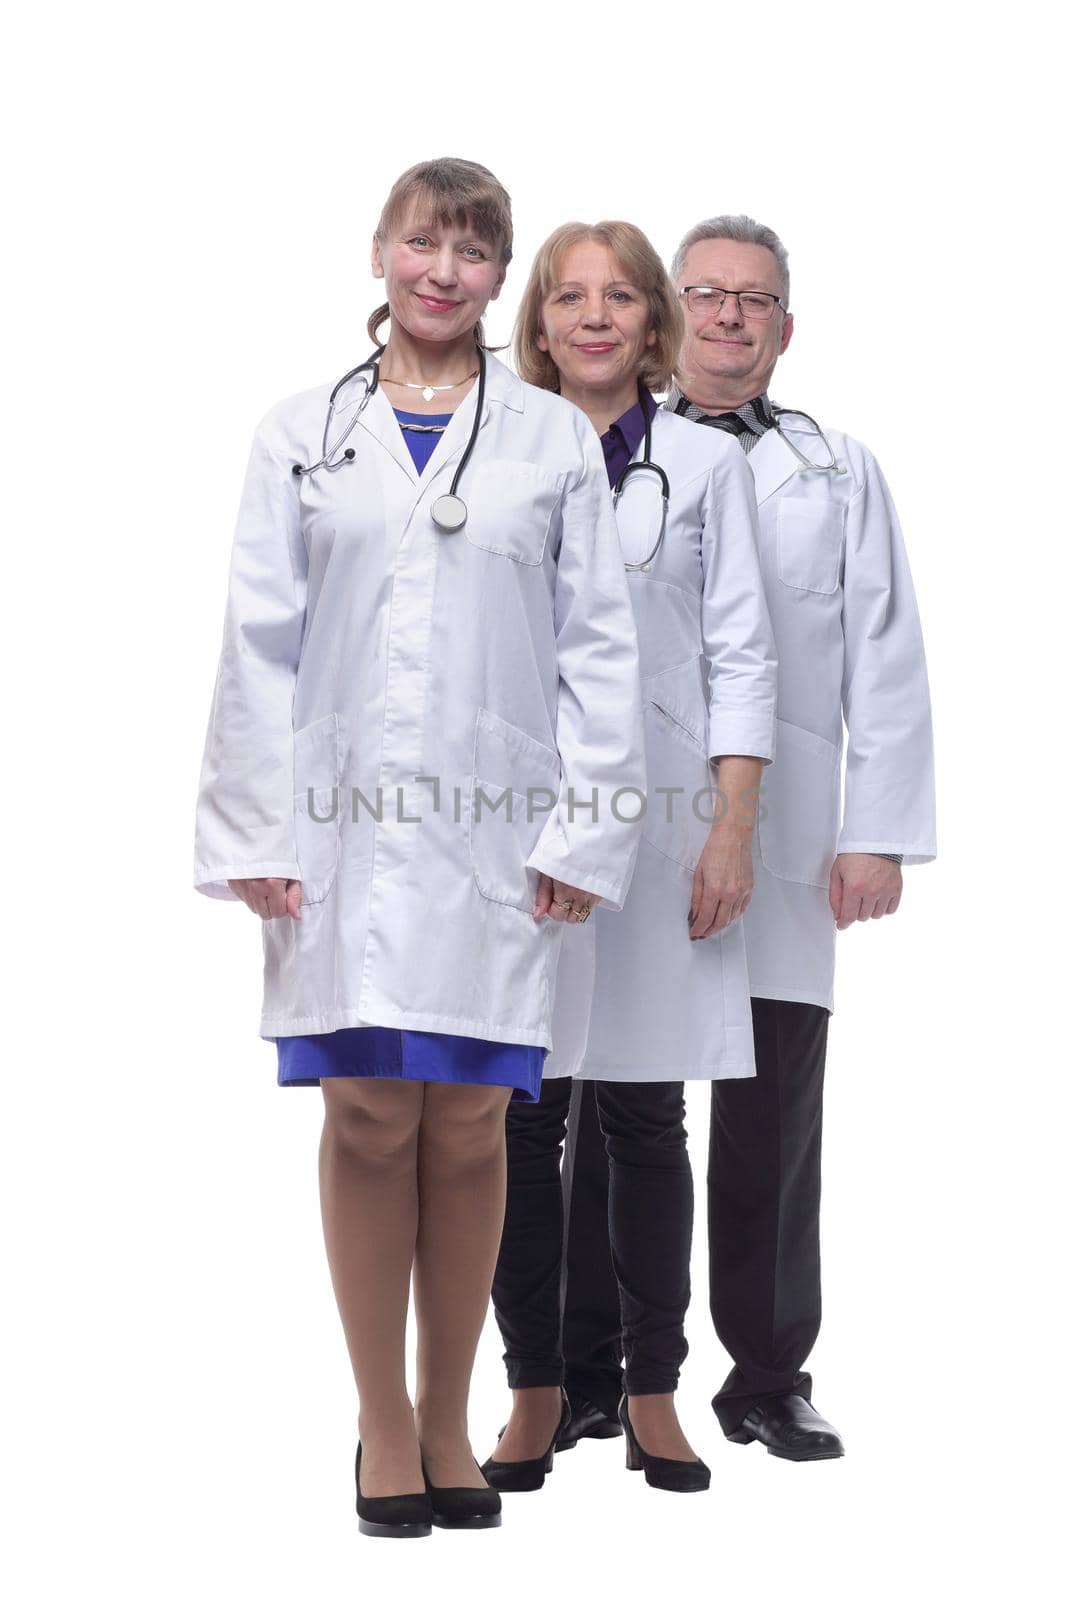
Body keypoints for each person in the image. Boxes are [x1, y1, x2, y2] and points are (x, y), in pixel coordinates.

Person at [192, 159, 646, 1537]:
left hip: (497, 832)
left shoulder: (548, 440)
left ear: (495, 279)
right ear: (380, 251)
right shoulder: (299, 433)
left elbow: (597, 649)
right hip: (332, 830)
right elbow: (254, 647)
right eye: (421, 243)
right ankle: (380, 1425)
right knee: (368, 1111)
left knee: (467, 1123)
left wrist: (587, 826)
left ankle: (452, 1418)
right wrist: (251, 830)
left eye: (469, 253)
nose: (441, 272)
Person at [555, 213, 937, 1465]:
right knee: (616, 1092)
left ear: (784, 325)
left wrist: (876, 830)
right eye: (704, 294)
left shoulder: (837, 470)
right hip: (642, 823)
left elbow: (882, 656)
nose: (727, 317)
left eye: (753, 300)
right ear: (671, 311)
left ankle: (767, 1373)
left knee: (772, 1113)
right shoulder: (592, 446)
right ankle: (596, 1364)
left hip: (777, 849)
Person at [483, 222, 776, 1494]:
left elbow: (741, 656)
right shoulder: (497, 453)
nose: (593, 317)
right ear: (538, 323)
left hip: (658, 828)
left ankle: (654, 1392)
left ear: (650, 323)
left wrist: (731, 825)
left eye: (618, 297)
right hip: (517, 820)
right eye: (567, 296)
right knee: (519, 1113)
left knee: (648, 1113)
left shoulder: (705, 465)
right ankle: (535, 1388)